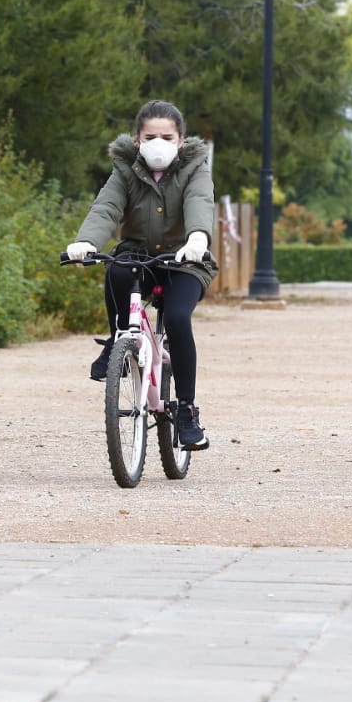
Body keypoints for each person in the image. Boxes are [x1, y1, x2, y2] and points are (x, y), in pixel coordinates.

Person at [65, 100, 217, 450]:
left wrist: (197, 237)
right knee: (116, 269)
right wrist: (86, 242)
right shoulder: (125, 169)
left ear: (180, 140)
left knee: (178, 318)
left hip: (185, 260)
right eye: (151, 136)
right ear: (137, 140)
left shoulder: (196, 167)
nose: (158, 143)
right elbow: (106, 206)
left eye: (167, 136)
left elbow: (199, 201)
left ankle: (187, 412)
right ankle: (119, 338)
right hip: (138, 254)